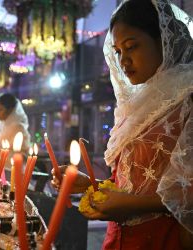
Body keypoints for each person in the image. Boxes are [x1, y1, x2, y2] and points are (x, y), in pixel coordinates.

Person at [51, 0, 193, 249]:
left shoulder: (188, 99)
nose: (123, 60)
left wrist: (133, 206)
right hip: (118, 238)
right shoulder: (137, 105)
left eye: (131, 47)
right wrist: (90, 184)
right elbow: (131, 180)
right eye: (118, 51)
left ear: (164, 41)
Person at [0, 93, 31, 166]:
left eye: (0, 109)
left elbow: (23, 155)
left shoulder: (19, 128)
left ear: (10, 110)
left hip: (11, 169)